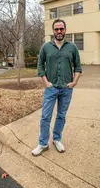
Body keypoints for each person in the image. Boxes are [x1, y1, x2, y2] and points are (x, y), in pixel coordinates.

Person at [32, 19, 82, 156]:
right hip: (51, 88)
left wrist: (74, 82)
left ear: (65, 30)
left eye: (61, 29)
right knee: (45, 117)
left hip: (66, 88)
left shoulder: (72, 47)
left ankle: (57, 139)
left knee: (61, 116)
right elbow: (40, 65)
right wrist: (46, 82)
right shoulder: (46, 47)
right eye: (56, 29)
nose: (59, 31)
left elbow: (78, 67)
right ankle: (43, 144)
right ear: (53, 31)